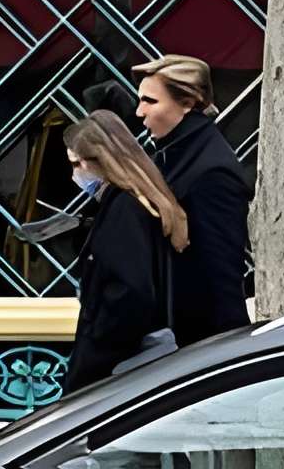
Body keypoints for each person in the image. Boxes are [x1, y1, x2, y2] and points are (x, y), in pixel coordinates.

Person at [60, 111, 188, 391]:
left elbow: (130, 293)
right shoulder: (135, 203)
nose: (75, 173)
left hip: (114, 368)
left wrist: (97, 344)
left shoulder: (125, 210)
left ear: (100, 161)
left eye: (76, 163)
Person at [132, 55, 254, 344]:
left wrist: (227, 352)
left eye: (150, 101)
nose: (139, 112)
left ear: (187, 103)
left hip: (202, 346)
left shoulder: (211, 171)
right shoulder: (176, 154)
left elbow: (223, 272)